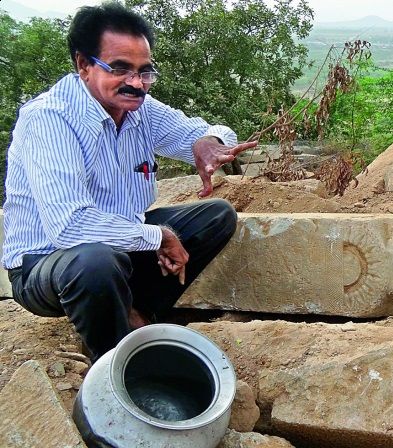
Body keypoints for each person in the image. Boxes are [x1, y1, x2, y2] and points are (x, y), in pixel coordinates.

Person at [2, 1, 257, 361]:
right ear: (84, 65)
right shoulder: (50, 119)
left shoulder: (138, 108)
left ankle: (136, 316)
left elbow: (208, 132)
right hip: (49, 264)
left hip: (120, 248)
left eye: (144, 71)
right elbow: (70, 227)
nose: (136, 84)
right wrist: (159, 236)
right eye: (120, 69)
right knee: (95, 261)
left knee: (217, 216)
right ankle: (116, 364)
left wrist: (208, 144)